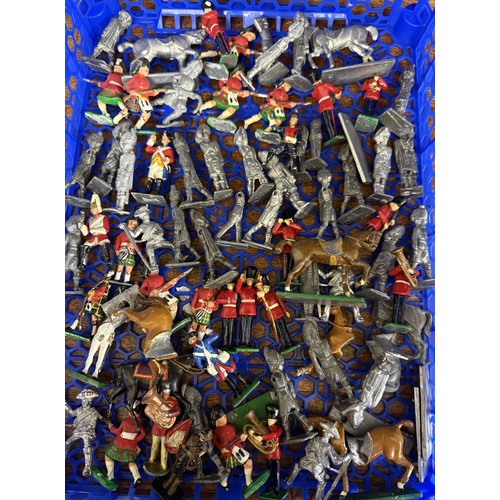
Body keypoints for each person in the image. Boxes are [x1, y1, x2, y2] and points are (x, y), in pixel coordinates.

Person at [210, 404, 253, 490]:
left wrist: (241, 438)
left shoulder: (231, 427)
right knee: (227, 470)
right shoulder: (217, 431)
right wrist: (221, 448)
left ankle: (249, 481)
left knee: (248, 462)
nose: (225, 418)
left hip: (238, 450)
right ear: (217, 421)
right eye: (222, 417)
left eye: (225, 416)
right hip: (228, 454)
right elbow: (214, 441)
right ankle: (223, 482)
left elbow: (235, 438)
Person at [117, 58, 166, 129]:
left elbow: (147, 92)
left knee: (146, 114)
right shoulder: (135, 78)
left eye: (148, 70)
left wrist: (154, 93)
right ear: (138, 69)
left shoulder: (147, 81)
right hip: (134, 99)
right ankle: (116, 120)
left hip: (144, 100)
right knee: (126, 110)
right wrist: (131, 91)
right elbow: (127, 85)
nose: (147, 71)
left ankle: (137, 127)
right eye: (145, 69)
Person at [104, 406, 146, 487]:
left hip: (120, 444)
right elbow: (143, 434)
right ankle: (137, 477)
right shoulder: (139, 422)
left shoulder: (126, 421)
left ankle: (110, 476)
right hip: (131, 446)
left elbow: (117, 431)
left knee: (108, 455)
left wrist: (111, 427)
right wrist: (135, 440)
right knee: (131, 462)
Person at [254, 404, 283, 496]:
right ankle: (270, 486)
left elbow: (274, 435)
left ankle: (276, 487)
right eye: (268, 419)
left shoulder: (279, 429)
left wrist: (262, 437)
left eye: (271, 419)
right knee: (268, 472)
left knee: (276, 472)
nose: (269, 421)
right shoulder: (265, 428)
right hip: (267, 453)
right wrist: (256, 437)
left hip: (275, 453)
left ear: (276, 419)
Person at [78, 193, 112, 269]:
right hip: (93, 237)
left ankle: (108, 260)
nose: (93, 210)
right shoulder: (90, 219)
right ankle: (82, 263)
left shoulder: (103, 218)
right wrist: (82, 228)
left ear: (98, 209)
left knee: (104, 246)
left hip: (102, 236)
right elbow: (86, 232)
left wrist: (94, 229)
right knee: (84, 247)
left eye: (94, 208)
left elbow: (106, 230)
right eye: (92, 209)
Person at [309, 69, 343, 143]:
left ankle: (331, 136)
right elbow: (334, 90)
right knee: (331, 120)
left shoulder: (313, 92)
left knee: (327, 122)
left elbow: (315, 97)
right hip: (328, 104)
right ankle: (335, 135)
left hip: (321, 106)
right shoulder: (325, 85)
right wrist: (338, 92)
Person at [272, 209, 303, 278]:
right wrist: (279, 223)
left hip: (293, 246)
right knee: (286, 263)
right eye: (289, 220)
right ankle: (285, 277)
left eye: (291, 220)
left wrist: (289, 224)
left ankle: (292, 276)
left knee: (293, 262)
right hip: (286, 246)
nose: (291, 221)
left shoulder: (294, 228)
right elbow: (274, 232)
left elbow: (299, 228)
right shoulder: (284, 228)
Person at [113, 216, 140, 283]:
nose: (133, 226)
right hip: (122, 251)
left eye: (135, 225)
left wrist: (133, 246)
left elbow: (139, 246)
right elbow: (117, 242)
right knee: (120, 266)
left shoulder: (136, 236)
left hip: (130, 253)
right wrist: (117, 250)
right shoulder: (122, 234)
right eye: (131, 223)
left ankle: (127, 280)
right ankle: (117, 277)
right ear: (127, 223)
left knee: (129, 268)